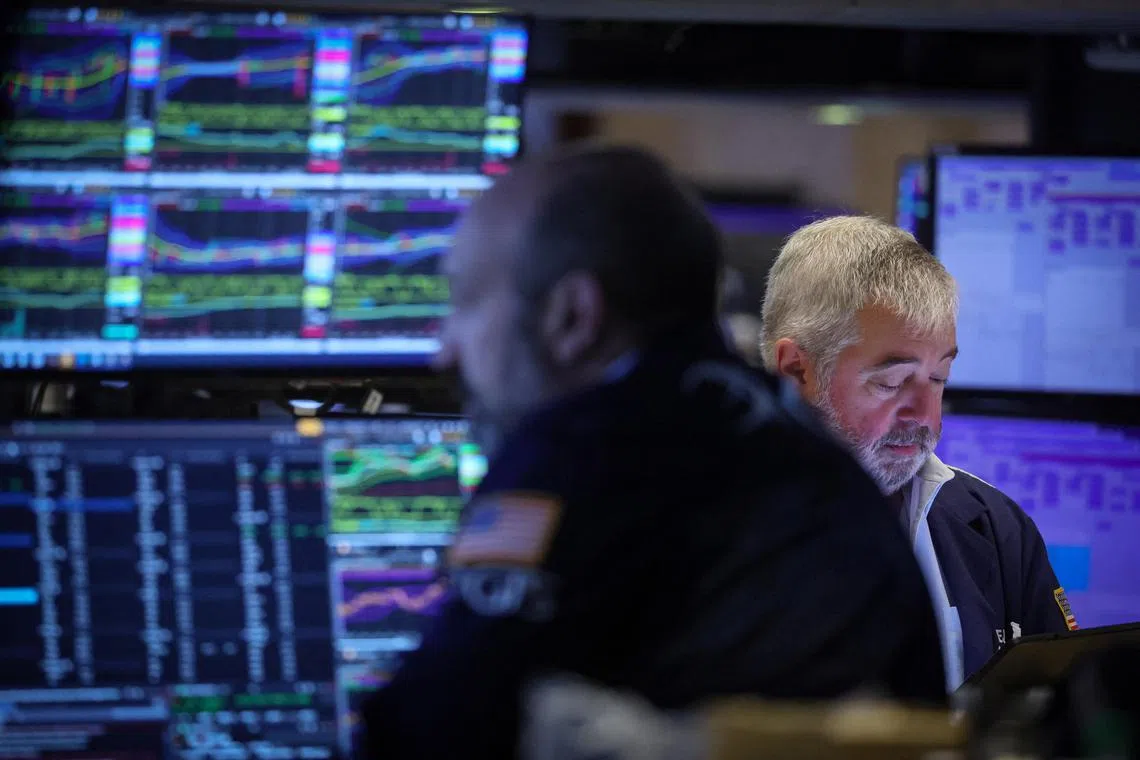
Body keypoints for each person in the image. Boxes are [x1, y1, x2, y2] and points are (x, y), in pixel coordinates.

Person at [358, 146, 946, 759]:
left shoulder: (590, 446)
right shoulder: (783, 428)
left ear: (573, 317)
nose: (444, 351)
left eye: (466, 299)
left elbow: (432, 724)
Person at [760, 215, 1075, 691]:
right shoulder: (692, 533)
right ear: (796, 370)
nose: (927, 418)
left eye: (939, 380)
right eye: (891, 383)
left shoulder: (997, 528)